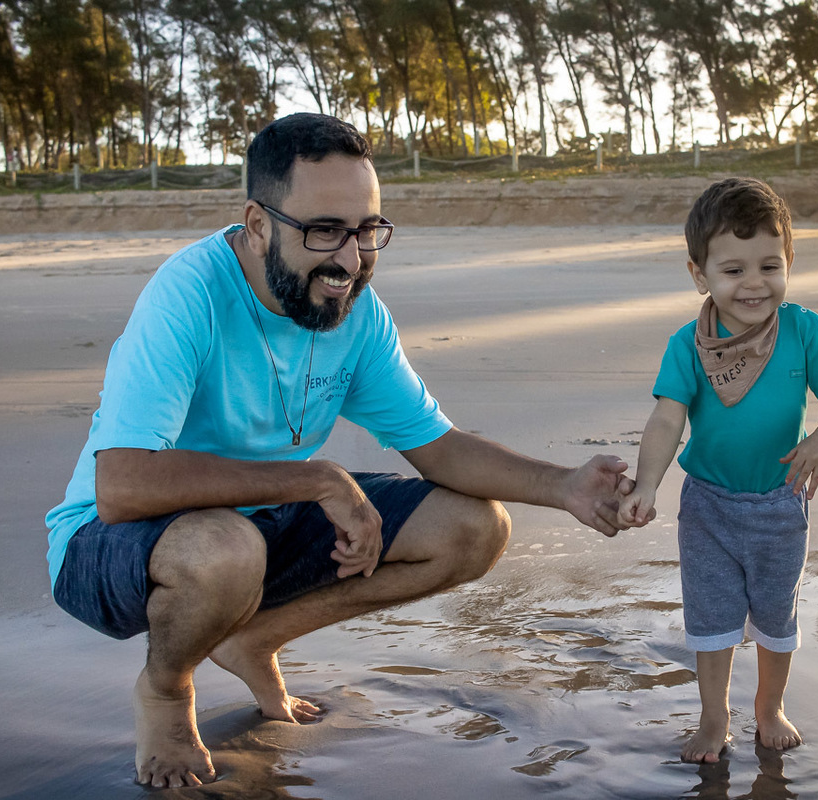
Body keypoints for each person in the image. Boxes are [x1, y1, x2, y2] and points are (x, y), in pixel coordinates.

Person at [44, 112, 640, 788]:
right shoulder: (189, 295)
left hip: (252, 527)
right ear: (259, 222)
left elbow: (437, 447)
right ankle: (165, 687)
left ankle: (253, 638)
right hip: (111, 542)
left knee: (474, 527)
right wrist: (317, 479)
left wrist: (563, 486)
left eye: (367, 230)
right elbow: (123, 484)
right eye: (325, 230)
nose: (351, 260)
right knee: (224, 550)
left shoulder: (354, 309)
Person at [617, 177, 818, 761]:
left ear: (789, 263)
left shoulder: (803, 330)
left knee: (778, 615)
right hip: (708, 507)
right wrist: (647, 483)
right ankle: (713, 718)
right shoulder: (688, 344)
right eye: (733, 271)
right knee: (712, 618)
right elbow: (667, 420)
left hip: (781, 501)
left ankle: (770, 707)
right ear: (699, 274)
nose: (754, 284)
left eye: (769, 266)